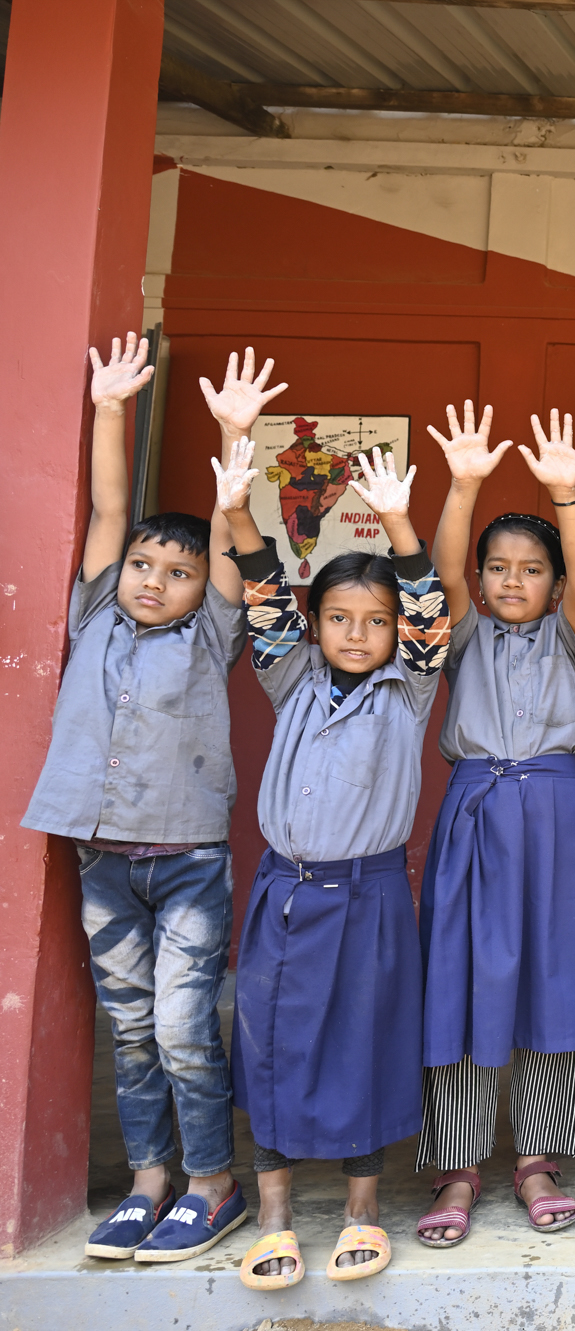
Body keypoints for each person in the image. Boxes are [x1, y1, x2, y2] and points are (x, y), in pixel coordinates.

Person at [24, 338, 262, 1262]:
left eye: (179, 572)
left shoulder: (210, 634)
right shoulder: (92, 611)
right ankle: (149, 1180)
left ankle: (212, 1183)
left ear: (206, 592)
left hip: (188, 860)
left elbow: (225, 528)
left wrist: (233, 438)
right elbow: (111, 505)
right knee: (130, 1031)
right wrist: (110, 407)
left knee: (182, 1028)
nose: (155, 581)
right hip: (103, 859)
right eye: (144, 566)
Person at [219, 440, 449, 1290]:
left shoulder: (412, 686)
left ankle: (361, 1210)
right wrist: (240, 509)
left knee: (365, 1043)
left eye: (376, 620)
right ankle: (275, 1215)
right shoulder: (291, 677)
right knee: (270, 1044)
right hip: (286, 890)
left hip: (372, 894)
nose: (358, 634)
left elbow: (431, 610)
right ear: (316, 627)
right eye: (341, 618)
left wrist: (397, 520)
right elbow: (265, 591)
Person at [413, 406, 575, 1247]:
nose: (514, 581)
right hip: (475, 815)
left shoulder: (573, 640)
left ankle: (537, 1157)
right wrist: (462, 484)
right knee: (460, 979)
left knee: (553, 981)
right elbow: (441, 569)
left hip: (556, 820)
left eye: (533, 570)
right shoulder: (461, 638)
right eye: (500, 569)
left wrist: (566, 495)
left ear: (556, 586)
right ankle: (458, 1163)